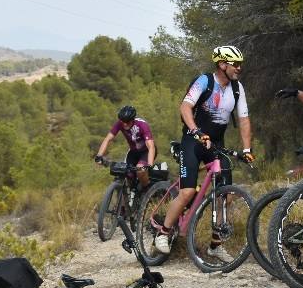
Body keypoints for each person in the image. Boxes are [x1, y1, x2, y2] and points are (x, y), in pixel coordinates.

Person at [154, 45, 254, 259]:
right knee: (188, 192)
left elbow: (244, 119)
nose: (239, 68)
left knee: (225, 195)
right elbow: (185, 107)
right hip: (193, 140)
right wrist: (196, 131)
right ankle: (163, 232)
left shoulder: (237, 88)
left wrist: (246, 148)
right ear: (222, 64)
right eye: (235, 64)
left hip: (216, 144)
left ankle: (215, 246)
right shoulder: (205, 81)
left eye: (240, 64)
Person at [94, 105, 156, 187]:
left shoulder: (142, 125)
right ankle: (128, 196)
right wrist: (99, 155)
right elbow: (107, 139)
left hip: (146, 152)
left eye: (127, 122)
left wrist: (150, 165)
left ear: (133, 119)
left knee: (140, 171)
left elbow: (151, 146)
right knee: (125, 174)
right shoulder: (120, 123)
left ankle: (146, 189)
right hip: (133, 152)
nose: (125, 124)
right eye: (123, 121)